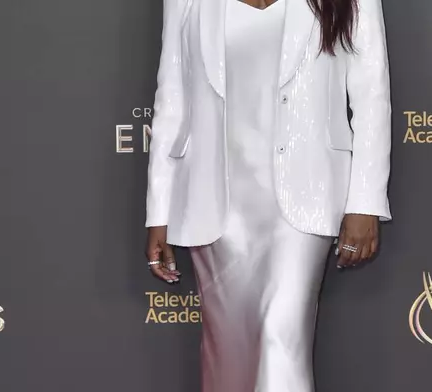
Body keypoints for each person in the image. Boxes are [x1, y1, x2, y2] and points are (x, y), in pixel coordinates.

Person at [145, 0, 392, 390]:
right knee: (229, 353)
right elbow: (172, 99)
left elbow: (370, 93)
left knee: (281, 335)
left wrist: (365, 202)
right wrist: (159, 209)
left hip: (303, 199)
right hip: (216, 204)